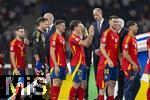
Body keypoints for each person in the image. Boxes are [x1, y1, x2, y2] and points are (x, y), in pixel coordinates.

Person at [69, 20, 94, 100]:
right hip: (77, 64)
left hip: (82, 63)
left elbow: (88, 45)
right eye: (80, 26)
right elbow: (85, 43)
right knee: (76, 83)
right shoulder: (73, 37)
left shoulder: (78, 37)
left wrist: (91, 35)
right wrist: (90, 34)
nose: (82, 28)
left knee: (84, 83)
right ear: (75, 27)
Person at [97, 15, 120, 100]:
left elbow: (117, 51)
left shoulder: (116, 34)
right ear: (109, 22)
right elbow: (102, 48)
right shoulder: (106, 33)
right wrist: (109, 60)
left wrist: (119, 61)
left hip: (114, 64)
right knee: (104, 84)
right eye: (114, 21)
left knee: (112, 83)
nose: (115, 23)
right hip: (106, 63)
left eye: (117, 22)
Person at [122, 21, 141, 100]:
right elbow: (125, 54)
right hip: (129, 68)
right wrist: (133, 64)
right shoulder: (127, 38)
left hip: (135, 67)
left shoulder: (134, 38)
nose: (137, 28)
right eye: (135, 26)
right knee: (128, 88)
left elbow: (134, 54)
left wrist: (138, 64)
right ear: (130, 27)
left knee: (137, 85)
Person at [91, 8, 109, 90]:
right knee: (97, 74)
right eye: (94, 15)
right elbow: (91, 39)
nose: (95, 16)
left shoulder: (108, 24)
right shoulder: (93, 25)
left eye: (97, 14)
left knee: (106, 73)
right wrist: (95, 49)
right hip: (96, 53)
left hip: (105, 53)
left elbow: (109, 39)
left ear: (101, 13)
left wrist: (102, 49)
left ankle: (107, 95)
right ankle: (99, 95)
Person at [50, 20, 67, 100]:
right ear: (57, 26)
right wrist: (55, 65)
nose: (65, 27)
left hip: (62, 64)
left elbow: (63, 53)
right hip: (56, 65)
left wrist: (66, 65)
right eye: (63, 25)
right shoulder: (54, 37)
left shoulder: (62, 38)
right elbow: (51, 52)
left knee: (60, 83)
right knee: (56, 82)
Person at [10, 26, 26, 96]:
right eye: (21, 32)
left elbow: (23, 57)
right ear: (16, 32)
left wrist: (26, 68)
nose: (23, 33)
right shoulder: (13, 43)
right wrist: (15, 69)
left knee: (21, 89)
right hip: (17, 68)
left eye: (23, 32)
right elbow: (12, 56)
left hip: (22, 68)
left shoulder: (22, 43)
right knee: (17, 90)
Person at [115, 18, 128, 100]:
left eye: (116, 23)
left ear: (120, 24)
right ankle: (119, 95)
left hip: (124, 59)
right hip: (120, 59)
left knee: (123, 78)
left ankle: (121, 95)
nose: (115, 25)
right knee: (120, 78)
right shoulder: (119, 32)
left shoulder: (125, 32)